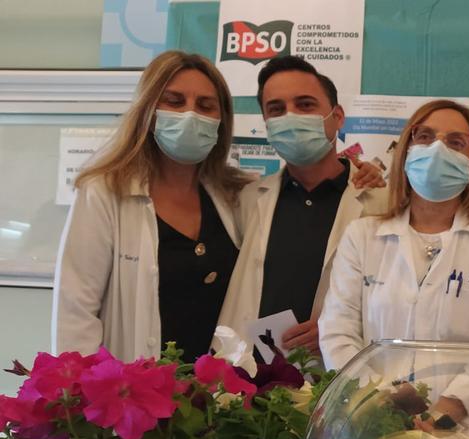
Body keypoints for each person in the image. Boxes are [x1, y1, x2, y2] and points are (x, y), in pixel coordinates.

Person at [320, 99, 469, 439]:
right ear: (406, 149)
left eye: (456, 142)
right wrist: (382, 412)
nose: (437, 150)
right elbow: (337, 334)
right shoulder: (362, 236)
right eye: (425, 137)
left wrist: (438, 419)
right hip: (375, 433)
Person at [53, 51, 250, 362]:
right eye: (174, 101)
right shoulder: (105, 192)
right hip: (134, 395)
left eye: (205, 106)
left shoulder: (236, 195)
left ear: (221, 119)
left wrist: (352, 172)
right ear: (147, 109)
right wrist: (86, 396)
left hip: (216, 400)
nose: (190, 114)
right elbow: (76, 310)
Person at [218, 55, 386, 359]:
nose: (290, 116)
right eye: (276, 109)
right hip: (253, 383)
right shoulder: (247, 199)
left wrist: (340, 327)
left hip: (336, 377)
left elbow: (403, 301)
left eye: (305, 104)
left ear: (337, 117)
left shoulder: (381, 204)